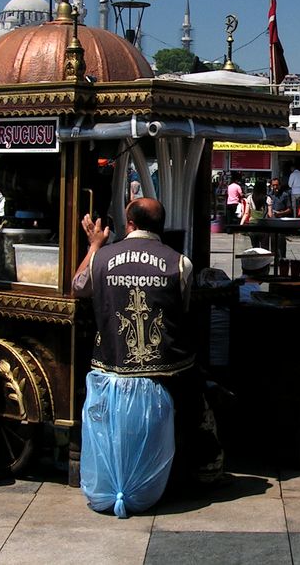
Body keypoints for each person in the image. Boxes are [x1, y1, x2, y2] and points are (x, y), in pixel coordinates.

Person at [73, 198, 223, 513]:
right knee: (199, 409)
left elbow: (79, 286)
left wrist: (93, 245)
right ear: (161, 226)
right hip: (168, 367)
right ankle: (204, 471)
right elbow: (180, 309)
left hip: (112, 363)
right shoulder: (179, 262)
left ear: (129, 223)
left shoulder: (101, 258)